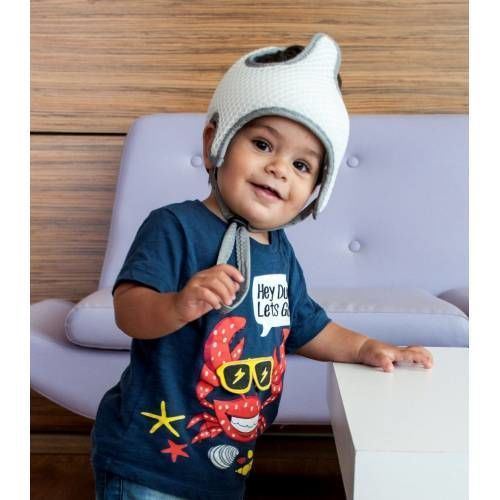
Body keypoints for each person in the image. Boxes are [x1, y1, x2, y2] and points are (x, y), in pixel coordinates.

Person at [91, 33, 433, 500]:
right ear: (215, 142)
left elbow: (308, 327)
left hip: (225, 461)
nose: (279, 169)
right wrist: (178, 305)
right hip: (149, 460)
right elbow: (128, 310)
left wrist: (366, 347)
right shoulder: (174, 226)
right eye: (262, 144)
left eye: (302, 165)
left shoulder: (279, 251)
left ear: (315, 192)